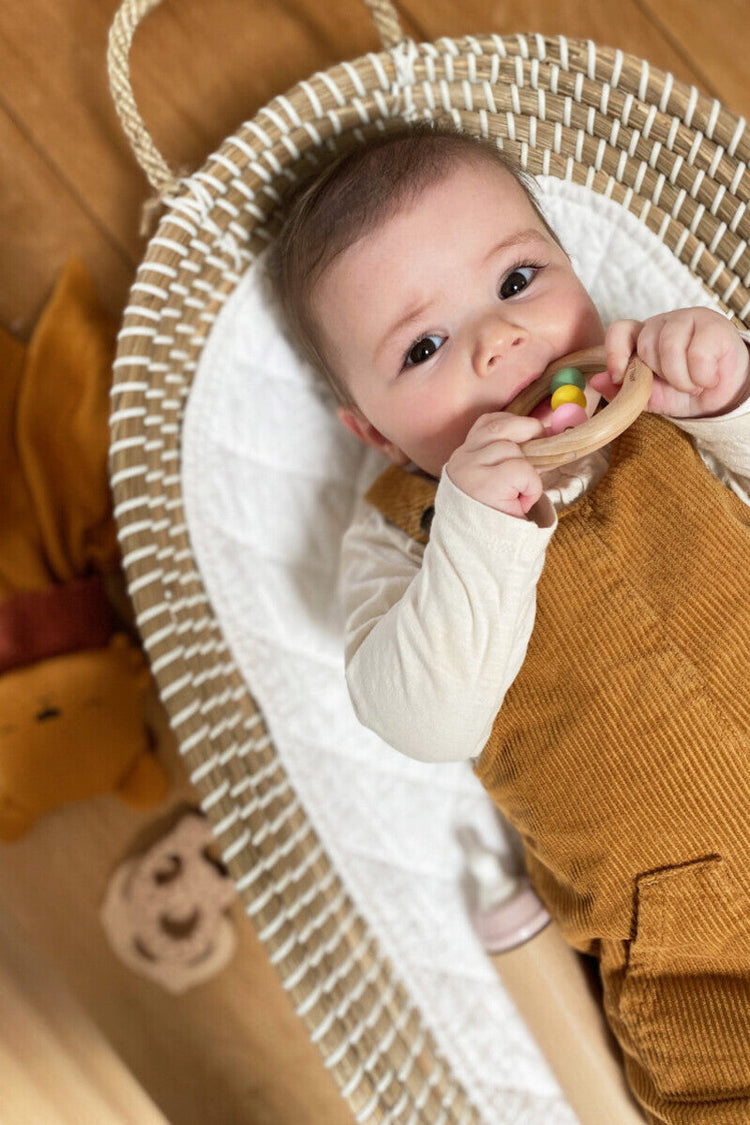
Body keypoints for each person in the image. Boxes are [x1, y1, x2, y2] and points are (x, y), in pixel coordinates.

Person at [266, 121, 750, 1124]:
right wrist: (480, 531)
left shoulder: (658, 393)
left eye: (519, 281)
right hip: (694, 957)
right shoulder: (404, 541)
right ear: (374, 433)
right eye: (425, 347)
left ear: (575, 267)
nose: (499, 340)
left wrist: (730, 398)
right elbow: (425, 719)